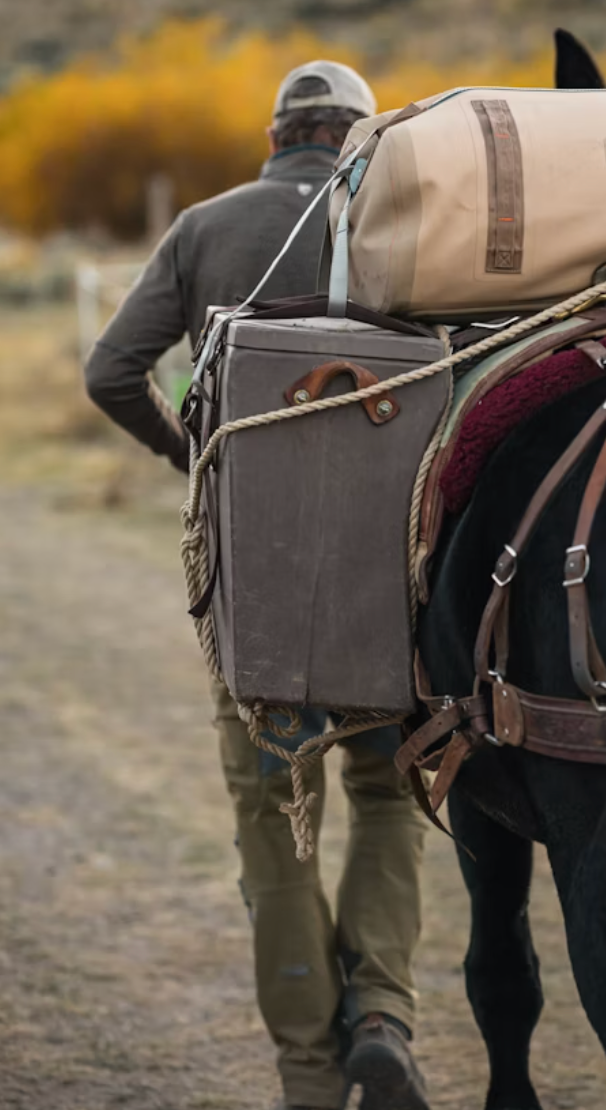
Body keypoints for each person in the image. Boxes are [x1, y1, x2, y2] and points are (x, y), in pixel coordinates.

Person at [84, 61, 429, 1110]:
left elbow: (110, 373)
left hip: (259, 585)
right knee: (383, 797)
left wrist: (198, 460)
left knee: (275, 816)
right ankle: (381, 1013)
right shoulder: (406, 221)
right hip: (389, 585)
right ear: (355, 142)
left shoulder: (206, 227)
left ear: (277, 137)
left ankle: (310, 1080)